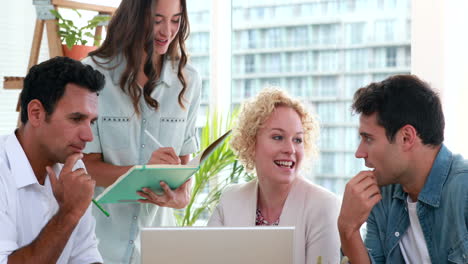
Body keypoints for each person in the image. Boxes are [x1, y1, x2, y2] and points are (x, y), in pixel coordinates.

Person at [81, 0, 201, 263]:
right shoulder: (92, 74)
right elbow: (87, 166)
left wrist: (181, 196)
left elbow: (183, 167)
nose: (166, 32)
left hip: (160, 248)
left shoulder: (188, 80)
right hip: (100, 247)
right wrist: (142, 174)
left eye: (175, 20)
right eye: (157, 20)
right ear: (134, 15)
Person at [338, 75, 468, 263]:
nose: (359, 153)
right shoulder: (381, 195)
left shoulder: (463, 192)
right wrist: (347, 229)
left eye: (368, 138)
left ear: (406, 137)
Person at [208, 88, 341, 264]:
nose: (290, 149)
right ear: (251, 143)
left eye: (298, 139)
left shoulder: (324, 205)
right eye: (278, 137)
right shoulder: (230, 199)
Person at [0, 56, 105, 264]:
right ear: (36, 113)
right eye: (76, 119)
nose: (89, 136)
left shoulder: (73, 166)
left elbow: (85, 255)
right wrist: (69, 212)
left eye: (91, 122)